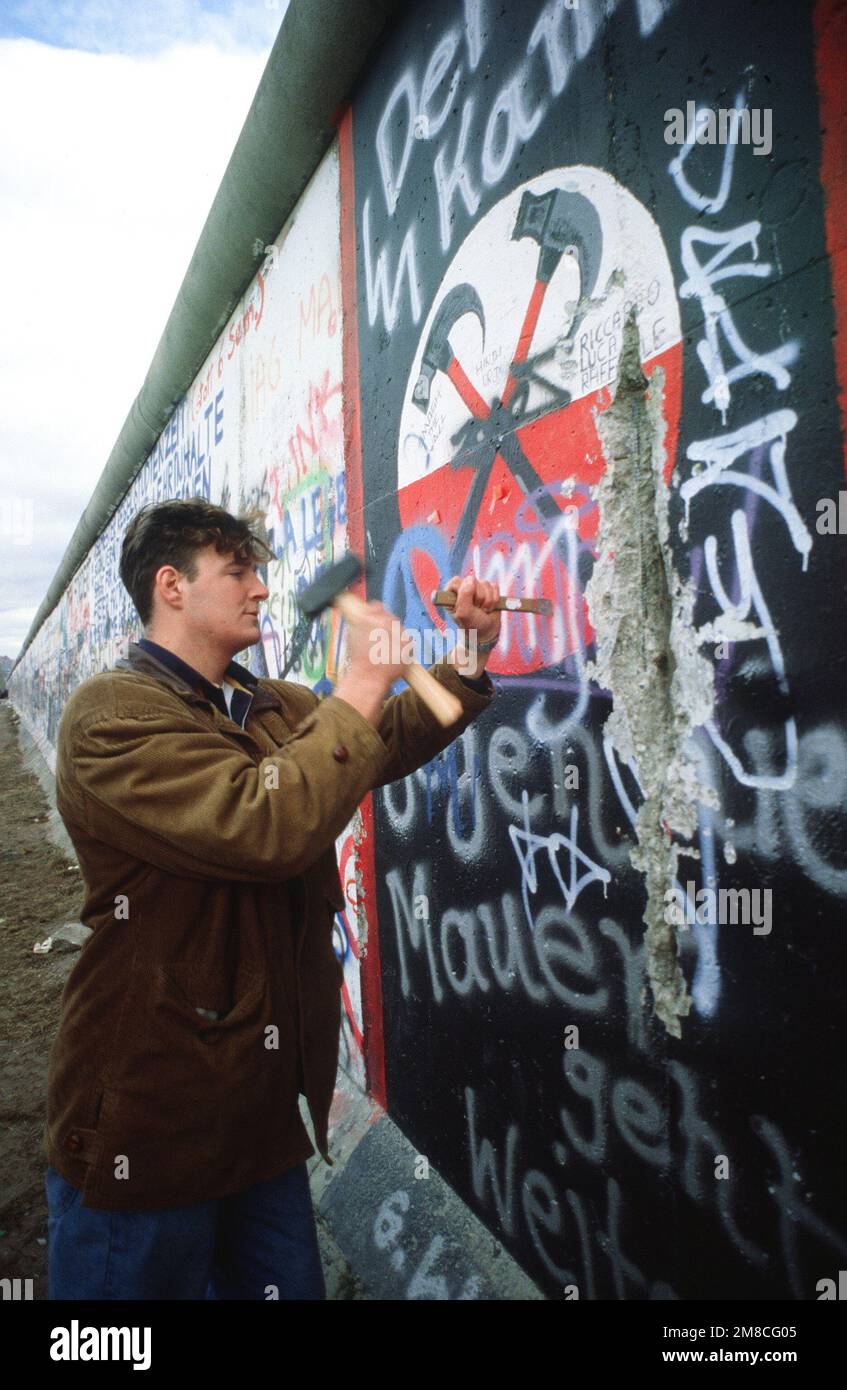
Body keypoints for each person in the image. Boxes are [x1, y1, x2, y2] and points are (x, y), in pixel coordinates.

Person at [42, 496, 500, 1300]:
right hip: (149, 1125)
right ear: (171, 586)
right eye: (238, 571)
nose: (261, 588)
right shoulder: (111, 718)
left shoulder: (265, 702)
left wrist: (463, 656)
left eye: (258, 570)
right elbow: (264, 823)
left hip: (259, 1119)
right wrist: (359, 680)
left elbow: (378, 741)